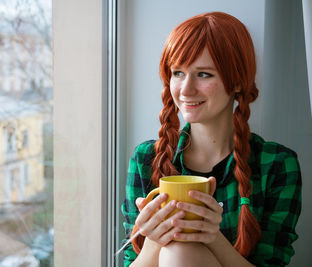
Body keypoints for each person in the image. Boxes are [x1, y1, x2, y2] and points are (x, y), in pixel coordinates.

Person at [121, 11, 302, 267]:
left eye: (204, 74)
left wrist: (213, 238)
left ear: (238, 81)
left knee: (180, 252)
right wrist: (153, 241)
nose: (185, 90)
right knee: (176, 251)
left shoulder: (276, 164)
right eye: (178, 73)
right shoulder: (146, 159)